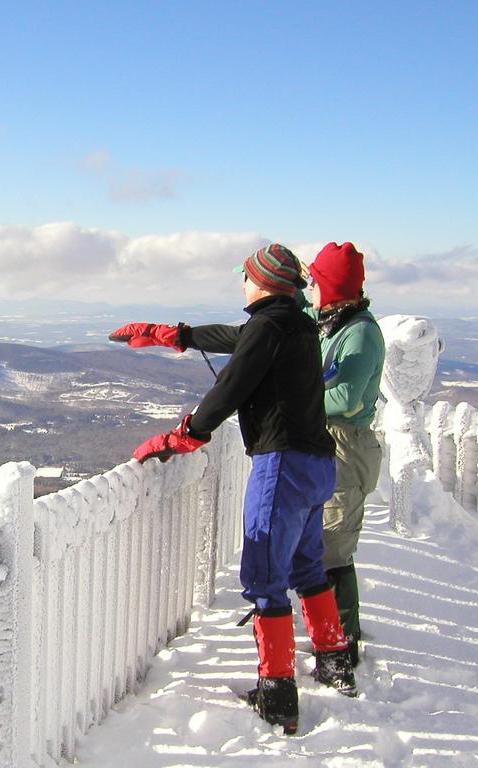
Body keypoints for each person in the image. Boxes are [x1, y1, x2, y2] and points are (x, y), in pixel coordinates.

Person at [110, 243, 355, 735]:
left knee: (264, 573)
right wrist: (175, 335)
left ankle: (277, 692)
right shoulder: (298, 322)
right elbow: (240, 338)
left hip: (282, 465)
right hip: (316, 464)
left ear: (260, 280)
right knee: (307, 564)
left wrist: (187, 435)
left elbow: (231, 386)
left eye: (243, 275)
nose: (240, 282)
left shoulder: (270, 325)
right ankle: (334, 660)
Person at [304, 242, 386, 668]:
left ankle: (342, 644)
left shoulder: (360, 333)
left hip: (346, 446)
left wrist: (299, 398)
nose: (310, 287)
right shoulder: (335, 322)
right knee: (322, 539)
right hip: (330, 443)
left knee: (334, 546)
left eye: (316, 281)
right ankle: (330, 635)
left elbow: (349, 398)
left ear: (332, 287)